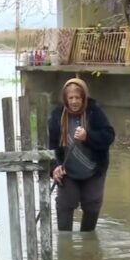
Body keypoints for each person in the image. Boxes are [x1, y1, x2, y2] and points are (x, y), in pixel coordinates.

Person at [49, 78, 115, 232]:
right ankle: (65, 243)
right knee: (64, 205)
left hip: (94, 170)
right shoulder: (57, 115)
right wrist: (54, 168)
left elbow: (109, 136)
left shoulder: (94, 111)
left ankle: (88, 241)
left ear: (84, 98)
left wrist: (88, 136)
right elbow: (51, 146)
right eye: (70, 98)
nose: (74, 102)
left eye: (77, 98)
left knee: (92, 205)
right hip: (67, 172)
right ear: (65, 99)